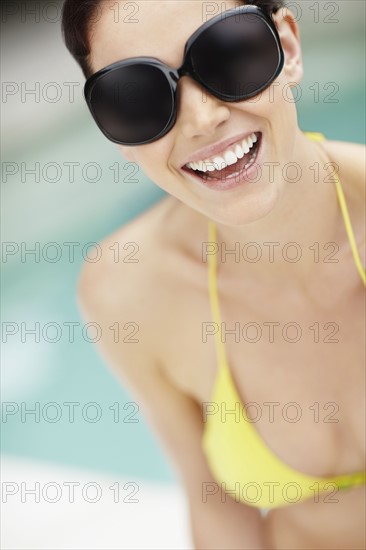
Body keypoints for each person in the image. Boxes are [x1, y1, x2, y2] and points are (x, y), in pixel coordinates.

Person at [62, 1, 366, 548]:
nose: (203, 119)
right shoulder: (128, 290)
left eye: (227, 55)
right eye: (138, 95)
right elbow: (217, 506)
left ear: (288, 49)